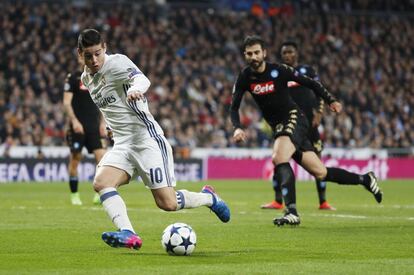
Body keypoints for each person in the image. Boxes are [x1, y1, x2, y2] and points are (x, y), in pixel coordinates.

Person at [77, 29, 230, 250]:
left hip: (146, 139)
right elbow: (110, 107)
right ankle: (128, 233)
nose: (94, 60)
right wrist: (111, 127)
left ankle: (209, 198)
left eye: (98, 53)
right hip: (122, 143)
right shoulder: (86, 77)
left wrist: (136, 90)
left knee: (167, 203)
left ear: (105, 48)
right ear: (80, 53)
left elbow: (141, 78)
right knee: (101, 182)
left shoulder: (117, 63)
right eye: (88, 55)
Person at [231, 35, 382, 226]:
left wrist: (330, 100)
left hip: (294, 118)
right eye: (249, 53)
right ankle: (365, 179)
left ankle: (291, 211)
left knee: (279, 157)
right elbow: (234, 107)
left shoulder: (279, 70)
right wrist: (237, 128)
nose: (253, 57)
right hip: (279, 126)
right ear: (245, 55)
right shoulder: (245, 77)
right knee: (320, 172)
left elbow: (310, 83)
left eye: (256, 53)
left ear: (264, 53)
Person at [260, 41, 335, 211]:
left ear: (297, 53)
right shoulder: (276, 73)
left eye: (290, 52)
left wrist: (319, 112)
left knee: (317, 161)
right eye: (284, 52)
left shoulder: (307, 71)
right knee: (280, 160)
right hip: (287, 124)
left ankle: (323, 201)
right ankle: (278, 200)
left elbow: (319, 91)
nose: (287, 55)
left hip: (309, 124)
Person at [63, 56, 107, 205]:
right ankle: (74, 195)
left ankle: (99, 193)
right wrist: (74, 122)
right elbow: (66, 103)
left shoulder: (98, 76)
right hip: (78, 128)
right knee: (75, 160)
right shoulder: (73, 77)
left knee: (102, 160)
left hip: (94, 126)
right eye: (84, 56)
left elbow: (103, 103)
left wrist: (103, 123)